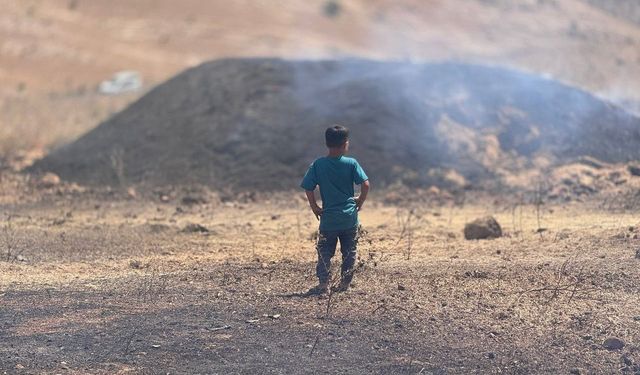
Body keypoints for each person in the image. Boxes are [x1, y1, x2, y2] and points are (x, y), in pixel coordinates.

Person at [300, 125, 370, 294]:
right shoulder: (351, 163)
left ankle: (324, 284)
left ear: (327, 143)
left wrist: (315, 207)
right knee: (349, 252)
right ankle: (344, 284)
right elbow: (366, 184)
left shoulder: (318, 164)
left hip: (328, 219)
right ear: (345, 144)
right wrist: (360, 201)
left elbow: (308, 187)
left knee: (324, 252)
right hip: (349, 218)